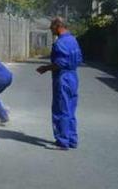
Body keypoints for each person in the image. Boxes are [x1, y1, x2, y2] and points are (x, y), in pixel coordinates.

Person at [36, 17, 83, 150]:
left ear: (58, 26)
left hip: (63, 77)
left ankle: (62, 141)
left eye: (52, 27)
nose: (51, 30)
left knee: (60, 109)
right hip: (73, 76)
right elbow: (79, 59)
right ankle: (72, 139)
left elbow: (59, 63)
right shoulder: (73, 40)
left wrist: (45, 68)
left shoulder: (59, 43)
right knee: (71, 109)